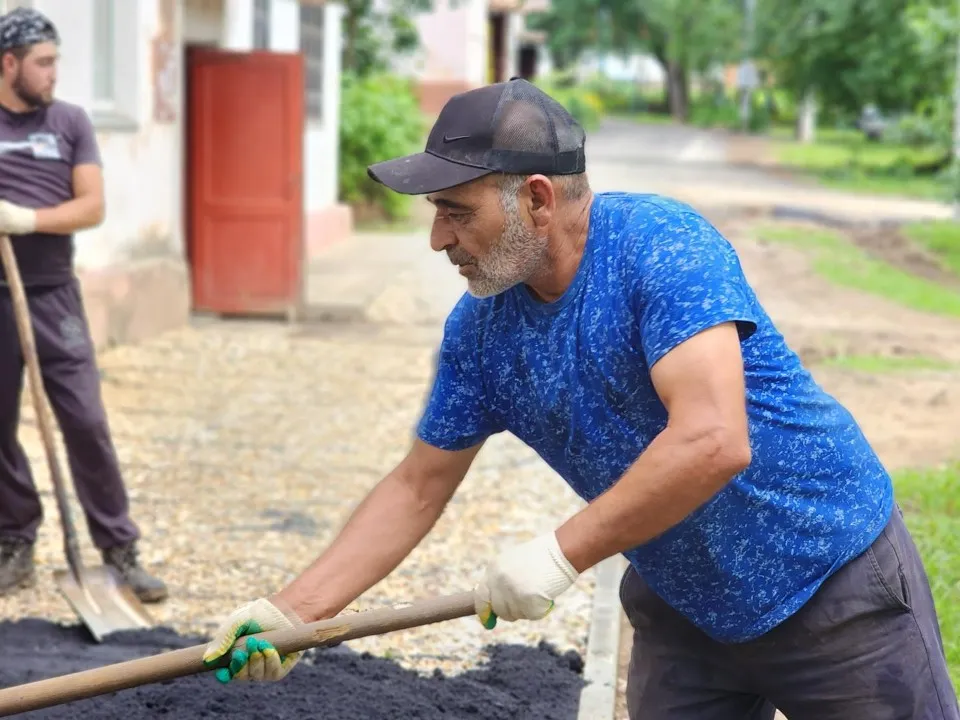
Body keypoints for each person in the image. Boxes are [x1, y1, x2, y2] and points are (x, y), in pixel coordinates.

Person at [202, 79, 959, 718]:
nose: (437, 239)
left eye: (456, 211)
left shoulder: (659, 245)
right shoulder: (481, 331)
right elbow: (416, 486)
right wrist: (295, 612)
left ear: (536, 198)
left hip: (826, 581)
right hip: (685, 609)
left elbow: (713, 439)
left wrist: (560, 555)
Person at [0, 8, 166, 603]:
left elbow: (91, 205)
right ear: (9, 63)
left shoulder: (69, 121)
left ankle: (120, 551)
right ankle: (15, 541)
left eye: (57, 61)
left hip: (52, 295)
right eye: (43, 62)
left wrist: (26, 219)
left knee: (87, 423)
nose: (53, 73)